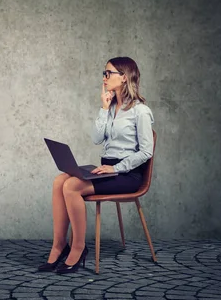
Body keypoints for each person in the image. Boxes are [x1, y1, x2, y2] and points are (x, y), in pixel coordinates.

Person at [37, 56, 154, 274]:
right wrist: (103, 107)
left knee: (71, 186)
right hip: (106, 170)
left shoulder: (141, 111)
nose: (104, 78)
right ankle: (59, 245)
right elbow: (97, 139)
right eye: (104, 73)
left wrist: (116, 168)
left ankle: (79, 249)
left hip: (127, 175)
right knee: (59, 181)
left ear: (125, 77)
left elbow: (146, 152)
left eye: (108, 73)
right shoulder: (110, 108)